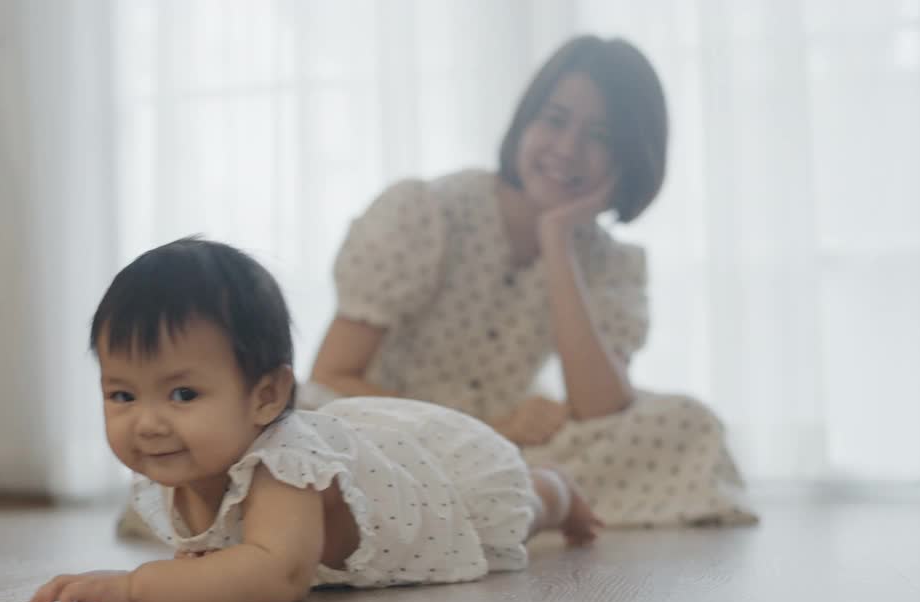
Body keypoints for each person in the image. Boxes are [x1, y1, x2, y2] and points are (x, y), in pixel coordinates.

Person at [309, 35, 756, 527]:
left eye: (601, 137)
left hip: (515, 445)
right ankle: (517, 504)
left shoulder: (611, 263)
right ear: (526, 121)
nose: (568, 149)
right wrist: (489, 427)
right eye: (555, 119)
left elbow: (601, 408)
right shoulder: (427, 212)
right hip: (392, 433)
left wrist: (558, 239)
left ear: (629, 158)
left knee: (686, 424)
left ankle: (499, 501)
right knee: (313, 420)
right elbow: (332, 375)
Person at [26, 238, 600, 602]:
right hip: (378, 476)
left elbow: (277, 574)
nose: (147, 422)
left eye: (183, 394)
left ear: (266, 396)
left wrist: (132, 589)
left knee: (521, 506)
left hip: (446, 496)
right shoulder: (180, 470)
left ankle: (559, 490)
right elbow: (217, 566)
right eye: (121, 394)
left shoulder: (284, 466)